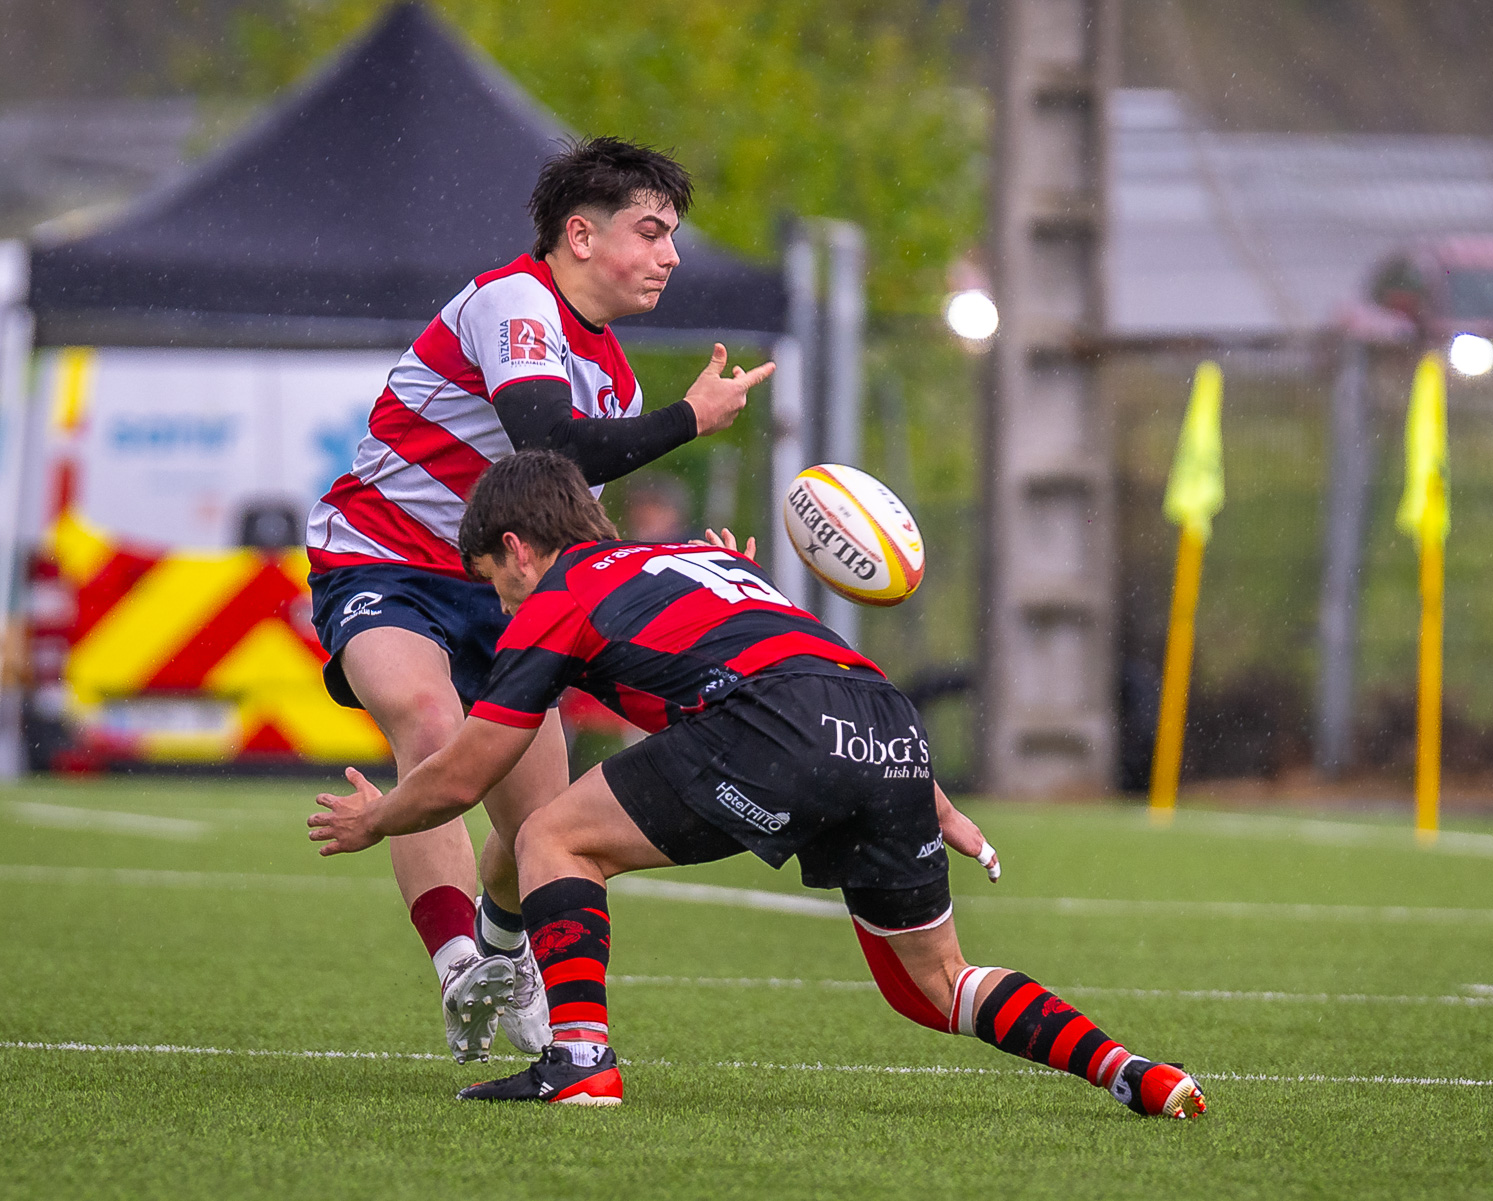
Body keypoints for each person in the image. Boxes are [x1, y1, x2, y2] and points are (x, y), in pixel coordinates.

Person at [308, 451, 1205, 1119]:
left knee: (550, 834)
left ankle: (578, 1062)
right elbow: (825, 667)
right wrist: (933, 796)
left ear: (518, 549)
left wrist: (378, 816)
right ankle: (1134, 1072)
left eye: (495, 583)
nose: (500, 605)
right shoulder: (708, 562)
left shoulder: (558, 596)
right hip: (888, 727)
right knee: (933, 986)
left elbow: (469, 768)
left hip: (781, 726)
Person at [304, 137, 774, 1064]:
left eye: (672, 235)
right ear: (580, 235)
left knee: (547, 826)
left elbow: (575, 526)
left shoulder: (615, 374)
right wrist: (692, 419)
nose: (670, 255)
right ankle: (458, 967)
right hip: (382, 558)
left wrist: (685, 560)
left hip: (508, 585)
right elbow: (547, 440)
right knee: (432, 724)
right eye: (651, 231)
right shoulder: (515, 299)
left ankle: (505, 950)